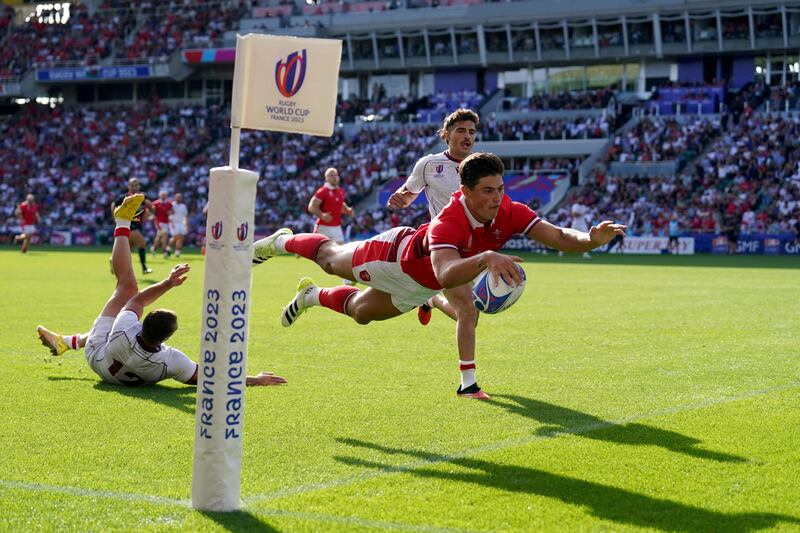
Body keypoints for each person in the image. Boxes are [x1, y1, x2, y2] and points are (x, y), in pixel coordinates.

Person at [253, 153, 625, 399]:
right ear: (465, 191)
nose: (497, 198)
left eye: (500, 189)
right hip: (394, 258)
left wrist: (589, 241)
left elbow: (559, 236)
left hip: (420, 286)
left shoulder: (509, 210)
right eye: (487, 191)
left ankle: (312, 296)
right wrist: (486, 257)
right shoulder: (448, 220)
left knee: (362, 314)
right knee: (330, 258)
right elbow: (446, 272)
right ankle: (281, 241)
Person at [37, 194, 286, 388]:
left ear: (141, 323)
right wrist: (255, 379)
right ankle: (64, 342)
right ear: (166, 339)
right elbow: (211, 378)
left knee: (126, 285)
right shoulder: (172, 360)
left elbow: (135, 297)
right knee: (121, 301)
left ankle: (121, 223)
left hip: (98, 358)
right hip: (116, 373)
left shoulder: (125, 328)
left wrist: (168, 283)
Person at [386, 107, 479, 326]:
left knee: (469, 315)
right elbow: (408, 194)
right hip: (443, 246)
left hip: (473, 246)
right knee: (468, 316)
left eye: (472, 132)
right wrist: (399, 200)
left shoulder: (481, 166)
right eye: (461, 130)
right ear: (445, 134)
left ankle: (431, 298)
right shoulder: (428, 164)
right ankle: (434, 299)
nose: (467, 136)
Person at [111, 178, 152, 275]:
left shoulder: (142, 197)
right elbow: (114, 205)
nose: (134, 187)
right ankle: (144, 268)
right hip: (129, 225)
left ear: (139, 186)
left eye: (136, 185)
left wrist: (149, 212)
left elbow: (149, 207)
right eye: (132, 185)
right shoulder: (124, 197)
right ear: (128, 186)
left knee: (128, 250)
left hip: (137, 226)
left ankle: (112, 261)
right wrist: (115, 218)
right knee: (142, 243)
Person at [150, 190, 172, 257]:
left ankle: (154, 248)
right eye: (162, 195)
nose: (163, 196)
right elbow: (151, 211)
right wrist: (152, 215)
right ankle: (165, 251)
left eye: (164, 195)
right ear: (159, 196)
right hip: (159, 222)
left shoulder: (168, 203)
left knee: (159, 237)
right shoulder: (156, 203)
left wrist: (170, 213)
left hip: (166, 222)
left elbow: (171, 212)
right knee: (165, 236)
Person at [167, 192, 188, 258]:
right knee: (177, 237)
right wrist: (171, 222)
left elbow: (185, 216)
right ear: (175, 198)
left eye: (180, 197)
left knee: (180, 238)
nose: (179, 198)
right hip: (174, 223)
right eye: (177, 197)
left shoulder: (183, 206)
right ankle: (169, 249)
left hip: (181, 223)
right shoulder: (171, 205)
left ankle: (177, 253)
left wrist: (186, 224)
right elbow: (168, 214)